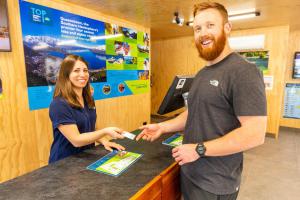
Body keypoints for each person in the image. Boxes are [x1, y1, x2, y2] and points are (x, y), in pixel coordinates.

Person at [136, 2, 267, 200]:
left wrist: (199, 149)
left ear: (227, 28)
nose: (203, 33)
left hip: (215, 183)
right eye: (197, 28)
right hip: (191, 171)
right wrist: (163, 127)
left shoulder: (244, 72)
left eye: (210, 25)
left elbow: (255, 134)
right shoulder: (202, 73)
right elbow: (194, 112)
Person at [49, 54, 125, 163]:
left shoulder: (88, 99)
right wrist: (105, 131)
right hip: (64, 162)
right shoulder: (59, 104)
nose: (82, 74)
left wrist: (104, 141)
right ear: (66, 75)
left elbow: (91, 128)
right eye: (76, 71)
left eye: (85, 70)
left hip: (86, 157)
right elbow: (76, 140)